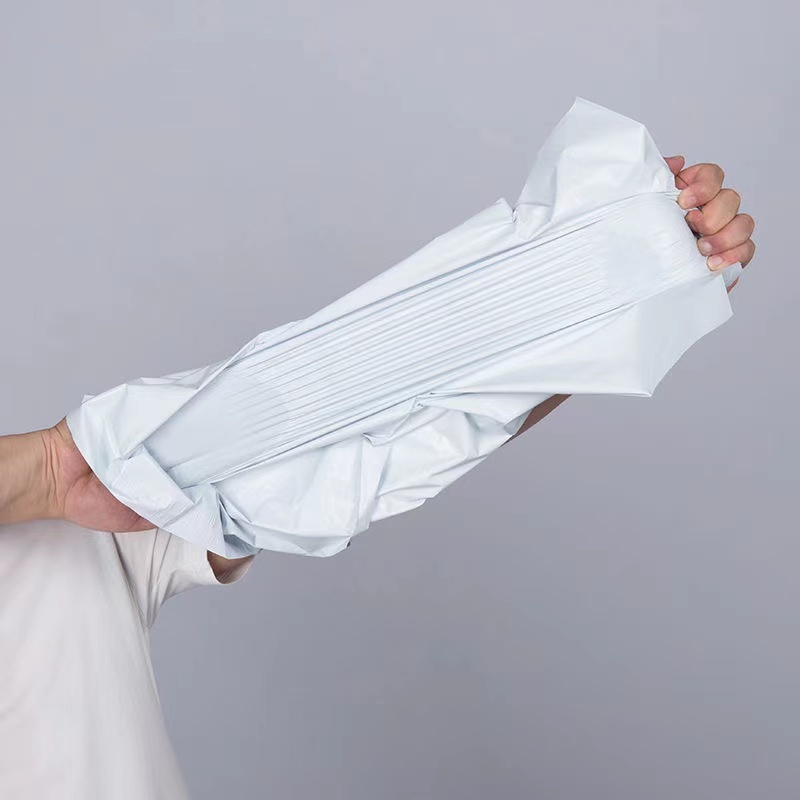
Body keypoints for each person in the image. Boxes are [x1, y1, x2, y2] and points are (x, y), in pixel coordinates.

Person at [0, 155, 756, 799]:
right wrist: (51, 471)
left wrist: (620, 279)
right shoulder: (71, 495)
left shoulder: (82, 521)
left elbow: (369, 429)